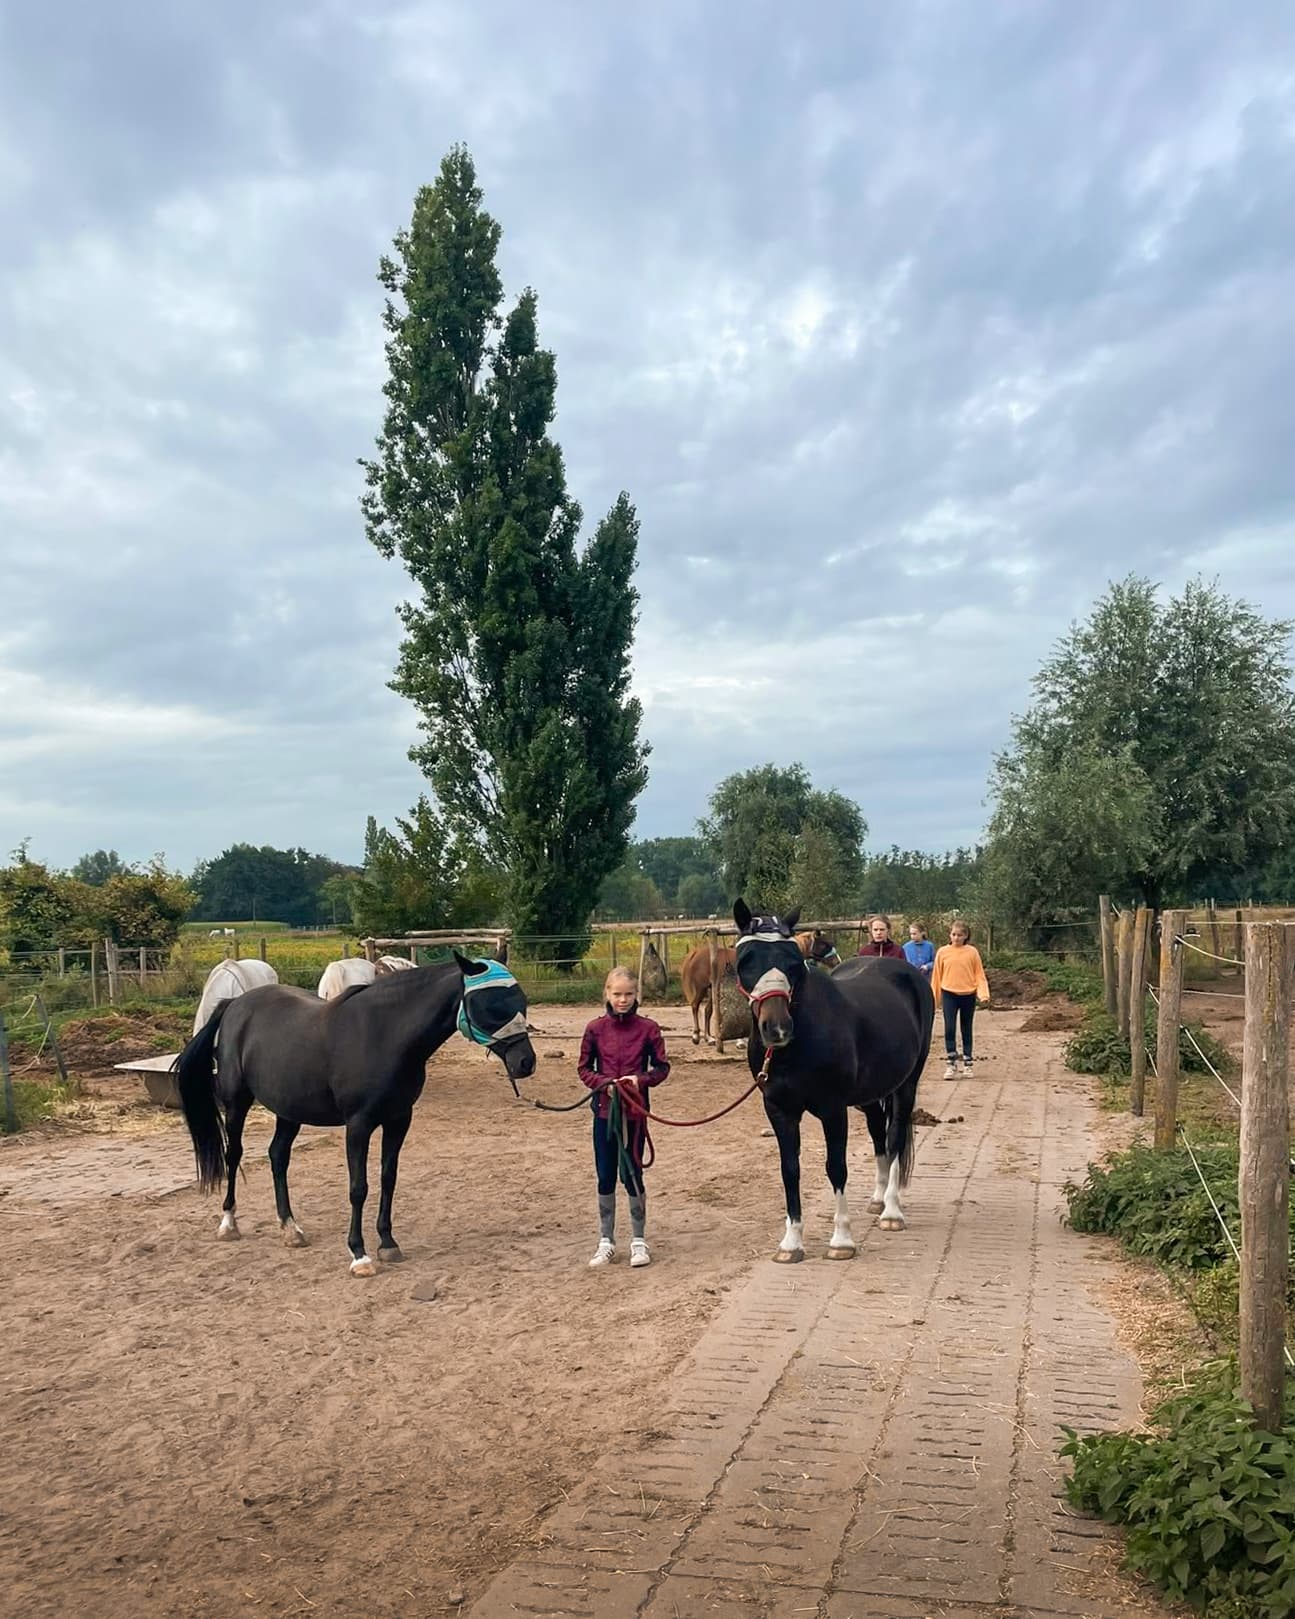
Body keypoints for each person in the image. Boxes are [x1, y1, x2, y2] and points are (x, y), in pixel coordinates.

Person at [578, 967, 670, 1268]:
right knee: (605, 1175)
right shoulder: (595, 1029)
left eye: (628, 994)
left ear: (636, 995)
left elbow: (661, 1068)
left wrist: (639, 1081)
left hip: (634, 1114)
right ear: (607, 993)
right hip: (605, 1113)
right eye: (617, 994)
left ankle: (639, 1240)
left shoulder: (648, 1029)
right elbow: (584, 1069)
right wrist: (603, 1084)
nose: (623, 1000)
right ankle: (606, 1240)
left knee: (631, 1174)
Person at [930, 920, 990, 1078]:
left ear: (966, 936)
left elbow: (979, 974)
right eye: (954, 934)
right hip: (949, 993)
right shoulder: (943, 952)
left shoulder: (972, 952)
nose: (956, 938)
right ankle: (951, 1062)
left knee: (966, 1028)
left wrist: (983, 994)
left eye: (960, 935)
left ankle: (968, 1062)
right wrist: (934, 1000)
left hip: (968, 994)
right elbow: (936, 977)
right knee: (949, 1027)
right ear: (950, 935)